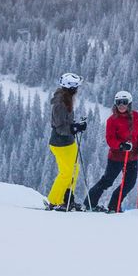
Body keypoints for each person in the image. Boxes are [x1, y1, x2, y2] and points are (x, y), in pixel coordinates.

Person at [86, 91, 138, 212]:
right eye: (119, 103)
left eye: (124, 102)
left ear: (129, 104)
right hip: (116, 157)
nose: (121, 105)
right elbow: (110, 139)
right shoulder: (112, 120)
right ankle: (89, 203)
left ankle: (114, 205)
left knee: (129, 183)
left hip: (132, 156)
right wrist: (121, 146)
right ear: (115, 104)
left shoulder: (136, 116)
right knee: (107, 181)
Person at [46, 72, 88, 210]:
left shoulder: (66, 99)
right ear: (71, 87)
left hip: (68, 143)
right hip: (60, 143)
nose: (77, 89)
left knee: (74, 171)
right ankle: (54, 201)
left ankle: (67, 198)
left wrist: (76, 125)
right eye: (76, 87)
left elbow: (66, 123)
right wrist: (74, 128)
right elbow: (59, 127)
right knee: (66, 173)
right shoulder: (60, 103)